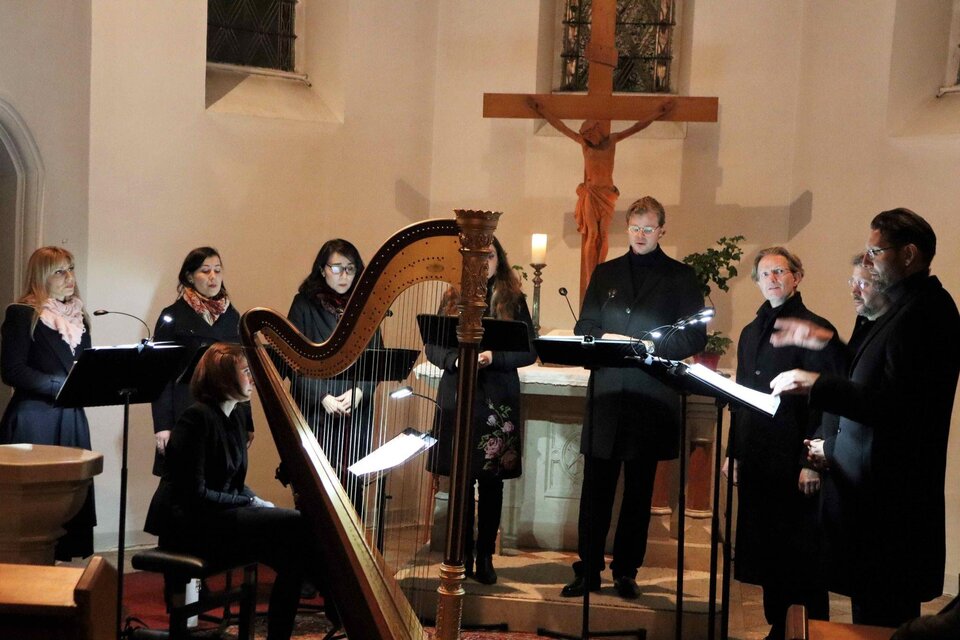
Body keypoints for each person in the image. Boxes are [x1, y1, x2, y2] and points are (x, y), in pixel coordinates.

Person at [770, 208, 960, 628]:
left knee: (883, 620)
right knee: (870, 617)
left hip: (891, 509)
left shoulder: (927, 312)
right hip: (871, 501)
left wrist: (817, 385)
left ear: (909, 254)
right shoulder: (903, 307)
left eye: (877, 251)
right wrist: (828, 346)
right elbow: (868, 375)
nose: (869, 261)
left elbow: (897, 407)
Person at [561, 196, 706, 599]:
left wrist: (652, 345)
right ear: (627, 229)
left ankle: (626, 571)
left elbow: (695, 335)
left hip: (650, 395)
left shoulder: (680, 276)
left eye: (649, 228)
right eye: (635, 228)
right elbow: (585, 322)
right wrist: (596, 334)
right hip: (608, 393)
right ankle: (587, 570)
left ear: (662, 231)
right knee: (596, 491)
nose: (641, 235)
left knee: (639, 493)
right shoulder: (605, 272)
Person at [144, 343, 332, 640]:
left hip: (217, 518)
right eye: (246, 371)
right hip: (189, 526)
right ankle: (338, 608)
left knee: (294, 555)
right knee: (297, 524)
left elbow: (230, 480)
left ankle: (284, 633)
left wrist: (256, 500)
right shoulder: (196, 419)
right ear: (222, 378)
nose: (253, 378)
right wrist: (250, 501)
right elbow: (195, 495)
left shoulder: (236, 417)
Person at [723, 247, 845, 640]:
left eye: (780, 271)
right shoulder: (749, 331)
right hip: (757, 456)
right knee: (766, 554)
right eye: (764, 273)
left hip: (795, 457)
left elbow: (830, 401)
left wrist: (812, 461)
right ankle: (779, 627)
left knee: (801, 556)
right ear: (757, 281)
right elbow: (741, 396)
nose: (772, 278)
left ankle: (810, 631)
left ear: (797, 277)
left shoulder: (815, 329)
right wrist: (734, 453)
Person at [425, 237, 537, 585]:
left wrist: (494, 357)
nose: (485, 261)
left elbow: (529, 351)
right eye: (478, 256)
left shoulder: (513, 299)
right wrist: (455, 359)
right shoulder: (451, 297)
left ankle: (485, 555)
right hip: (458, 394)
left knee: (490, 483)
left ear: (498, 259)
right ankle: (461, 554)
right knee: (459, 482)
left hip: (496, 398)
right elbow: (432, 346)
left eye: (490, 255)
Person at [0, 246, 97, 560]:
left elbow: (85, 367)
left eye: (71, 269)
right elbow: (13, 370)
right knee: (33, 512)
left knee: (69, 505)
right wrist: (62, 385)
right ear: (41, 276)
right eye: (59, 271)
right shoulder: (22, 313)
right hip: (35, 418)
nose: (69, 278)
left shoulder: (79, 317)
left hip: (70, 419)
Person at [527, 98, 673, 296]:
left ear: (597, 130)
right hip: (590, 193)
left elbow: (637, 127)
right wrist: (543, 111)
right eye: (584, 135)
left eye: (589, 134)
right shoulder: (585, 145)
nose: (587, 138)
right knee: (592, 234)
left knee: (603, 234)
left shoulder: (611, 141)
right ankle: (590, 278)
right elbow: (561, 127)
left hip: (607, 194)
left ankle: (599, 271)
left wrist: (658, 113)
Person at [287, 239, 381, 513]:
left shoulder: (365, 306)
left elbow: (376, 358)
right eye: (337, 268)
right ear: (322, 269)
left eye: (351, 269)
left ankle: (350, 553)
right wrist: (323, 396)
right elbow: (294, 359)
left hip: (356, 410)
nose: (344, 276)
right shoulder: (303, 304)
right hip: (317, 409)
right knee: (316, 490)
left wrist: (360, 392)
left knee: (352, 486)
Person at [151, 246, 248, 477]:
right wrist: (163, 425)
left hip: (227, 413)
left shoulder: (232, 316)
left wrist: (248, 421)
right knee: (187, 481)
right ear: (189, 276)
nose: (213, 277)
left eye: (217, 270)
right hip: (187, 409)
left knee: (222, 479)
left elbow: (242, 373)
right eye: (205, 271)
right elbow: (159, 375)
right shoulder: (172, 315)